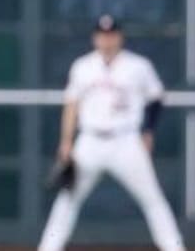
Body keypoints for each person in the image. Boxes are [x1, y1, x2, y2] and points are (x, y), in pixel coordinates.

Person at [37, 16, 185, 251]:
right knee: (67, 200)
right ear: (95, 38)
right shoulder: (82, 66)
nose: (107, 39)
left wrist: (148, 131)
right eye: (102, 35)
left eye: (111, 34)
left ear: (120, 37)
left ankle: (175, 248)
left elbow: (156, 98)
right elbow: (72, 105)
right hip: (90, 141)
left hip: (126, 141)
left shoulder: (138, 66)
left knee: (153, 199)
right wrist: (66, 142)